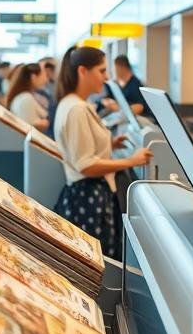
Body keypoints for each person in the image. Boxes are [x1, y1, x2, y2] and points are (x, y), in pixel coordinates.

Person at [52, 46, 152, 258]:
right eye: (101, 70)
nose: (106, 77)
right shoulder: (77, 109)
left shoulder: (76, 104)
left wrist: (111, 144)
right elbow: (86, 165)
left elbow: (82, 148)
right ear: (82, 71)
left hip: (90, 196)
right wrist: (131, 161)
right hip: (88, 199)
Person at [5, 63, 49, 131]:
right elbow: (31, 125)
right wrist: (45, 123)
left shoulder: (24, 96)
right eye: (44, 76)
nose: (46, 80)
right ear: (33, 77)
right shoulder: (26, 98)